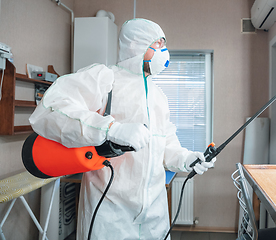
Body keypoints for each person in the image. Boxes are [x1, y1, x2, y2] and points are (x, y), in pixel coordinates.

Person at [29, 18, 216, 239]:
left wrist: (186, 158)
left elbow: (166, 145)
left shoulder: (159, 97)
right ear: (137, 46)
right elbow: (50, 109)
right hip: (110, 213)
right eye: (158, 44)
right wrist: (110, 129)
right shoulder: (106, 79)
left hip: (154, 217)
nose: (164, 51)